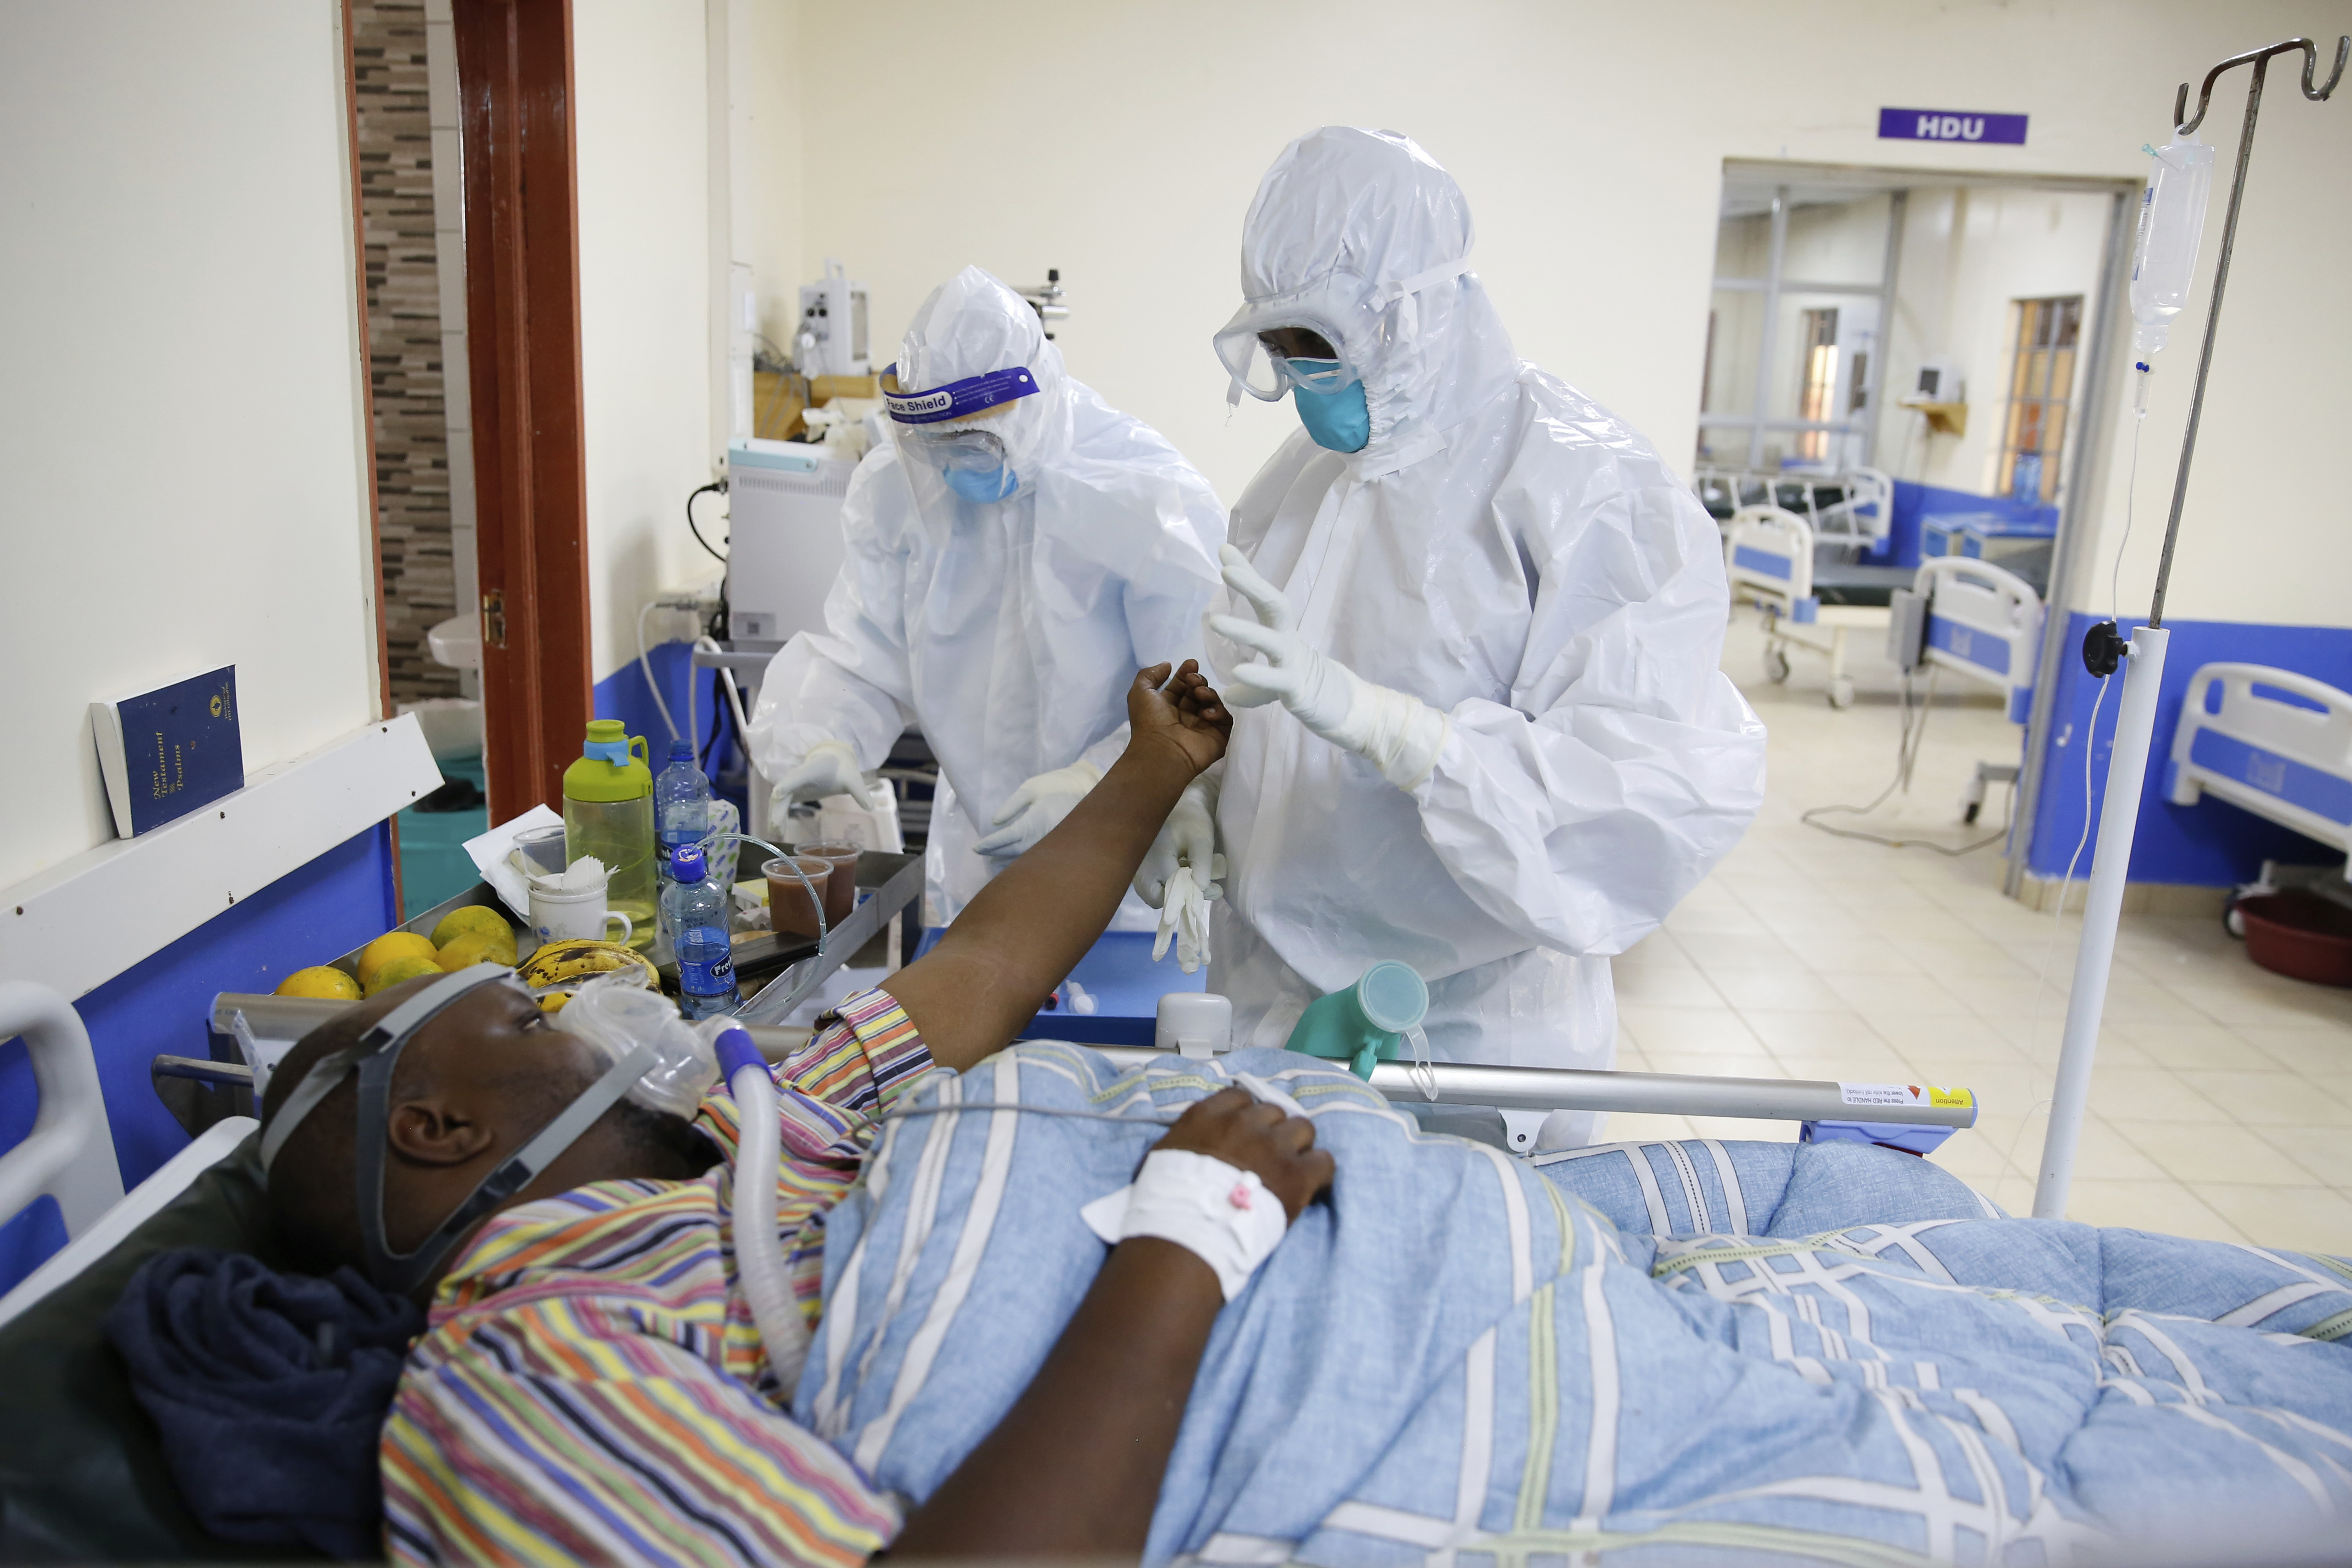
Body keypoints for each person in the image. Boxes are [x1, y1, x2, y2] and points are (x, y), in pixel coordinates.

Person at [258, 663, 1328, 1564]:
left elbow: (988, 965)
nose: (588, 1024)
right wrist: (1197, 1222)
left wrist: (1157, 763)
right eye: (535, 1028)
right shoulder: (519, 1372)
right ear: (438, 1129)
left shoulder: (743, 1134)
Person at [1137, 127, 1767, 1147]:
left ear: (1413, 312)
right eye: (1280, 347)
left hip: (1463, 1030)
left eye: (1318, 343)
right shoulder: (1297, 486)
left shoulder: (1585, 488)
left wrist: (1407, 737)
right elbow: (1267, 701)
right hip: (1274, 1002)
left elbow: (1649, 794)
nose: (1298, 374)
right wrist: (1207, 801)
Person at [745, 265, 1226, 932]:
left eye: (971, 438)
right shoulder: (904, 486)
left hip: (1125, 860)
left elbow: (1195, 698)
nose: (950, 464)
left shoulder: (1143, 495)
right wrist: (827, 736)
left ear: (1030, 398)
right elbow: (865, 647)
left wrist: (1096, 783)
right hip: (977, 848)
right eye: (933, 442)